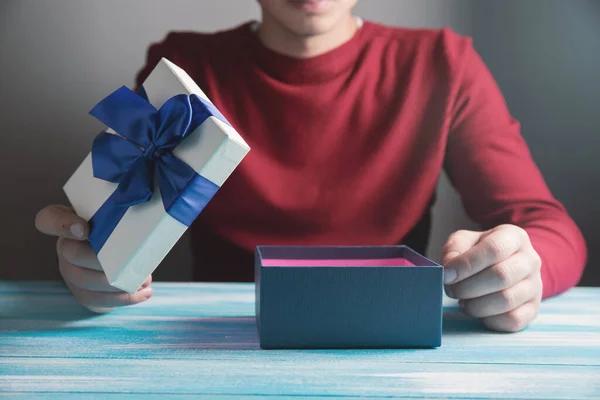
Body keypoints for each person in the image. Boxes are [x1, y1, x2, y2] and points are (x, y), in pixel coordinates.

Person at [35, 0, 587, 332]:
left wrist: (522, 266)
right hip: (222, 342)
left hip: (389, 344)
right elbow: (109, 215)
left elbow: (550, 227)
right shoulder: (188, 67)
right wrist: (91, 258)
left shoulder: (443, 63)